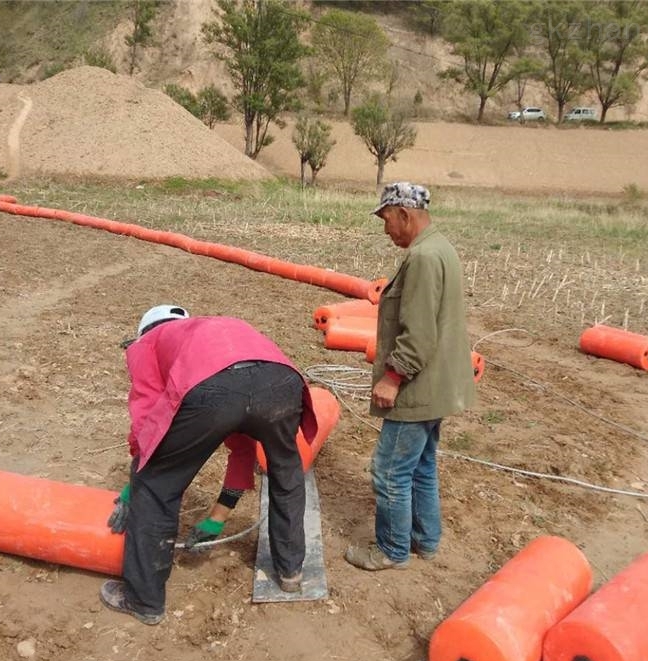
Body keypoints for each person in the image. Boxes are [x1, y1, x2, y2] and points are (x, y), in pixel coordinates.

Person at [100, 305, 317, 625]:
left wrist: (140, 478)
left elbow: (146, 416)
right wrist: (218, 517)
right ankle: (290, 571)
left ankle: (144, 599)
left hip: (215, 387)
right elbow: (242, 441)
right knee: (286, 473)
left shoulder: (147, 343)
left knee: (156, 486)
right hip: (282, 382)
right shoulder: (217, 328)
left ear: (146, 329)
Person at [345, 182, 475, 571]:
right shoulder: (440, 248)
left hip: (418, 387)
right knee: (420, 465)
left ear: (404, 213)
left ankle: (392, 550)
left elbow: (418, 333)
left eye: (387, 220)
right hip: (439, 385)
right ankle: (425, 539)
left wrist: (392, 378)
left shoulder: (422, 257)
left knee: (389, 471)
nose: (386, 230)